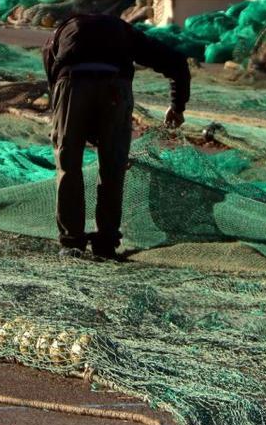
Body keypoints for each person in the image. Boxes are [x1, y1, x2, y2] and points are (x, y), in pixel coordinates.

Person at [43, 14, 190, 260]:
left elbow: (55, 80)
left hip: (71, 84)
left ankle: (72, 243)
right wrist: (177, 106)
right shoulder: (124, 32)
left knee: (68, 164)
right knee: (113, 166)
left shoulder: (58, 36)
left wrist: (69, 120)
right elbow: (175, 62)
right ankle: (106, 242)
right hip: (115, 89)